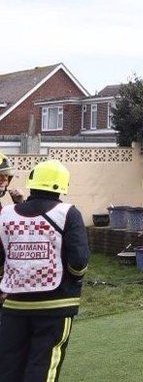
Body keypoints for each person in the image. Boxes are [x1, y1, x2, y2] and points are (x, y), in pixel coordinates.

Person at [0, 159, 89, 382]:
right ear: (63, 185)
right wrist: (73, 280)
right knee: (43, 366)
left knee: (9, 367)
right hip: (56, 305)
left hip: (14, 305)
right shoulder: (68, 213)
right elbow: (79, 261)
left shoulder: (6, 214)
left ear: (32, 182)